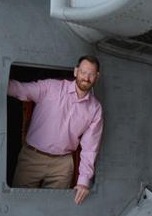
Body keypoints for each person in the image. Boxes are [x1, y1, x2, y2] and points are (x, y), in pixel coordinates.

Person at [8, 56, 103, 205]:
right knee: (18, 205)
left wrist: (84, 181)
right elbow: (21, 89)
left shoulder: (95, 109)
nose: (86, 77)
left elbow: (90, 148)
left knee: (55, 210)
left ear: (97, 76)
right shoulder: (51, 87)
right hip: (32, 158)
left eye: (91, 74)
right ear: (76, 71)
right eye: (83, 72)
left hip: (62, 165)